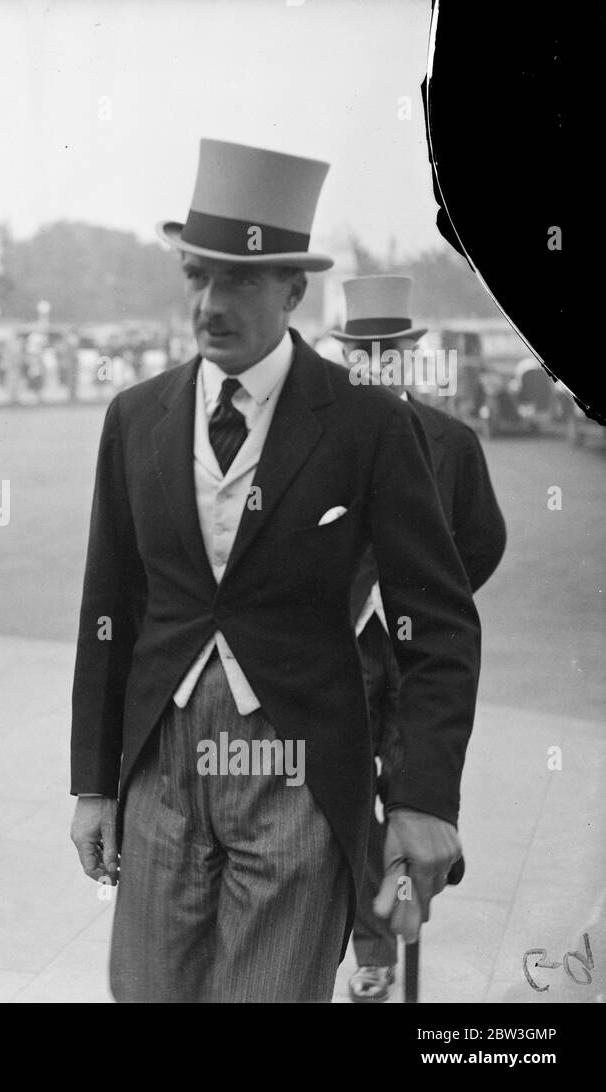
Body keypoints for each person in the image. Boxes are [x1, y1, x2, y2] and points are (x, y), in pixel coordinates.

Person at [68, 139, 481, 1003]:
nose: (211, 304)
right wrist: (94, 784)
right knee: (145, 992)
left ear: (294, 290)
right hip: (161, 770)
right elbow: (110, 610)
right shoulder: (136, 417)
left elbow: (437, 626)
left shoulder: (367, 425)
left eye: (241, 281)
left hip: (297, 771)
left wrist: (422, 797)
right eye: (197, 276)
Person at [331, 275, 507, 1001]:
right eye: (361, 351)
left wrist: (432, 602)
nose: (375, 362)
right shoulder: (320, 437)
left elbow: (483, 538)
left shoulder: (450, 441)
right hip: (340, 649)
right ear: (347, 356)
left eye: (388, 350)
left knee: (412, 796)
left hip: (410, 656)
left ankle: (402, 910)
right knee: (341, 803)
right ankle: (371, 946)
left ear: (409, 355)